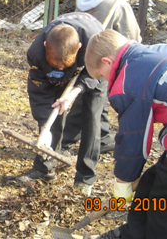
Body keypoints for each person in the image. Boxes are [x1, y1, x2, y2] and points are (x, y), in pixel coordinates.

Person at [85, 29, 167, 239]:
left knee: (165, 209)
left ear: (107, 61)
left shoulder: (128, 83)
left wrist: (123, 181)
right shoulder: (162, 51)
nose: (105, 81)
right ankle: (131, 233)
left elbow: (134, 138)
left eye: (101, 75)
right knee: (149, 185)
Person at [16, 13, 107, 196]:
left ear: (79, 48)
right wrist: (44, 123)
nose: (59, 68)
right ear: (45, 47)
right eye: (54, 63)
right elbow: (39, 90)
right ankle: (44, 168)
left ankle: (85, 177)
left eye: (64, 64)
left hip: (93, 70)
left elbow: (95, 75)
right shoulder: (36, 53)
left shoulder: (95, 44)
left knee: (91, 119)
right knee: (52, 112)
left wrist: (76, 90)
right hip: (60, 72)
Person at [62, 0, 142, 154]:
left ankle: (104, 137)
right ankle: (66, 138)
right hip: (106, 60)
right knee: (92, 98)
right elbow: (132, 37)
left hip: (81, 55)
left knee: (96, 96)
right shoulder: (118, 4)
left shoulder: (81, 1)